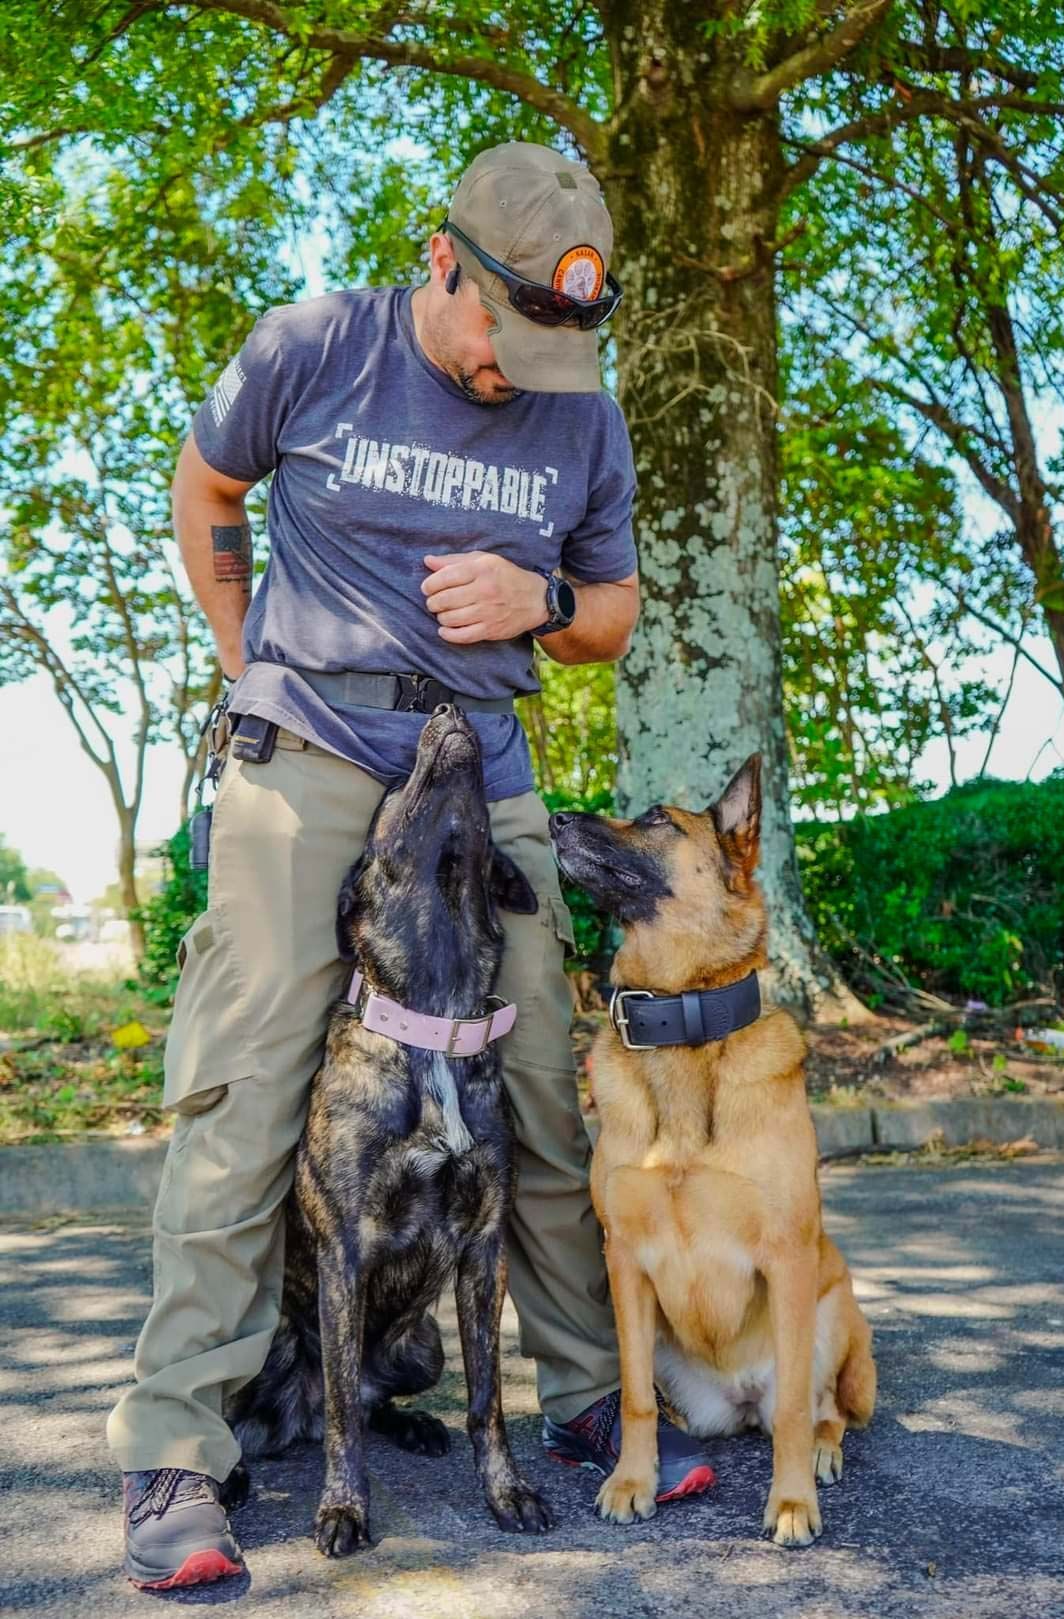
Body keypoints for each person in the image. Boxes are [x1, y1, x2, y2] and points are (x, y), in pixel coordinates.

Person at [107, 139, 714, 1591]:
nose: (515, 375)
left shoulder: (584, 421)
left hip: (482, 760)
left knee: (541, 1093)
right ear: (441, 260)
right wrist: (249, 665)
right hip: (309, 754)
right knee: (247, 1084)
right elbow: (206, 492)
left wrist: (544, 596)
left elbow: (614, 615)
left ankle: (580, 1403)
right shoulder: (314, 345)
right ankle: (181, 1438)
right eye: (501, 339)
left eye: (547, 356)